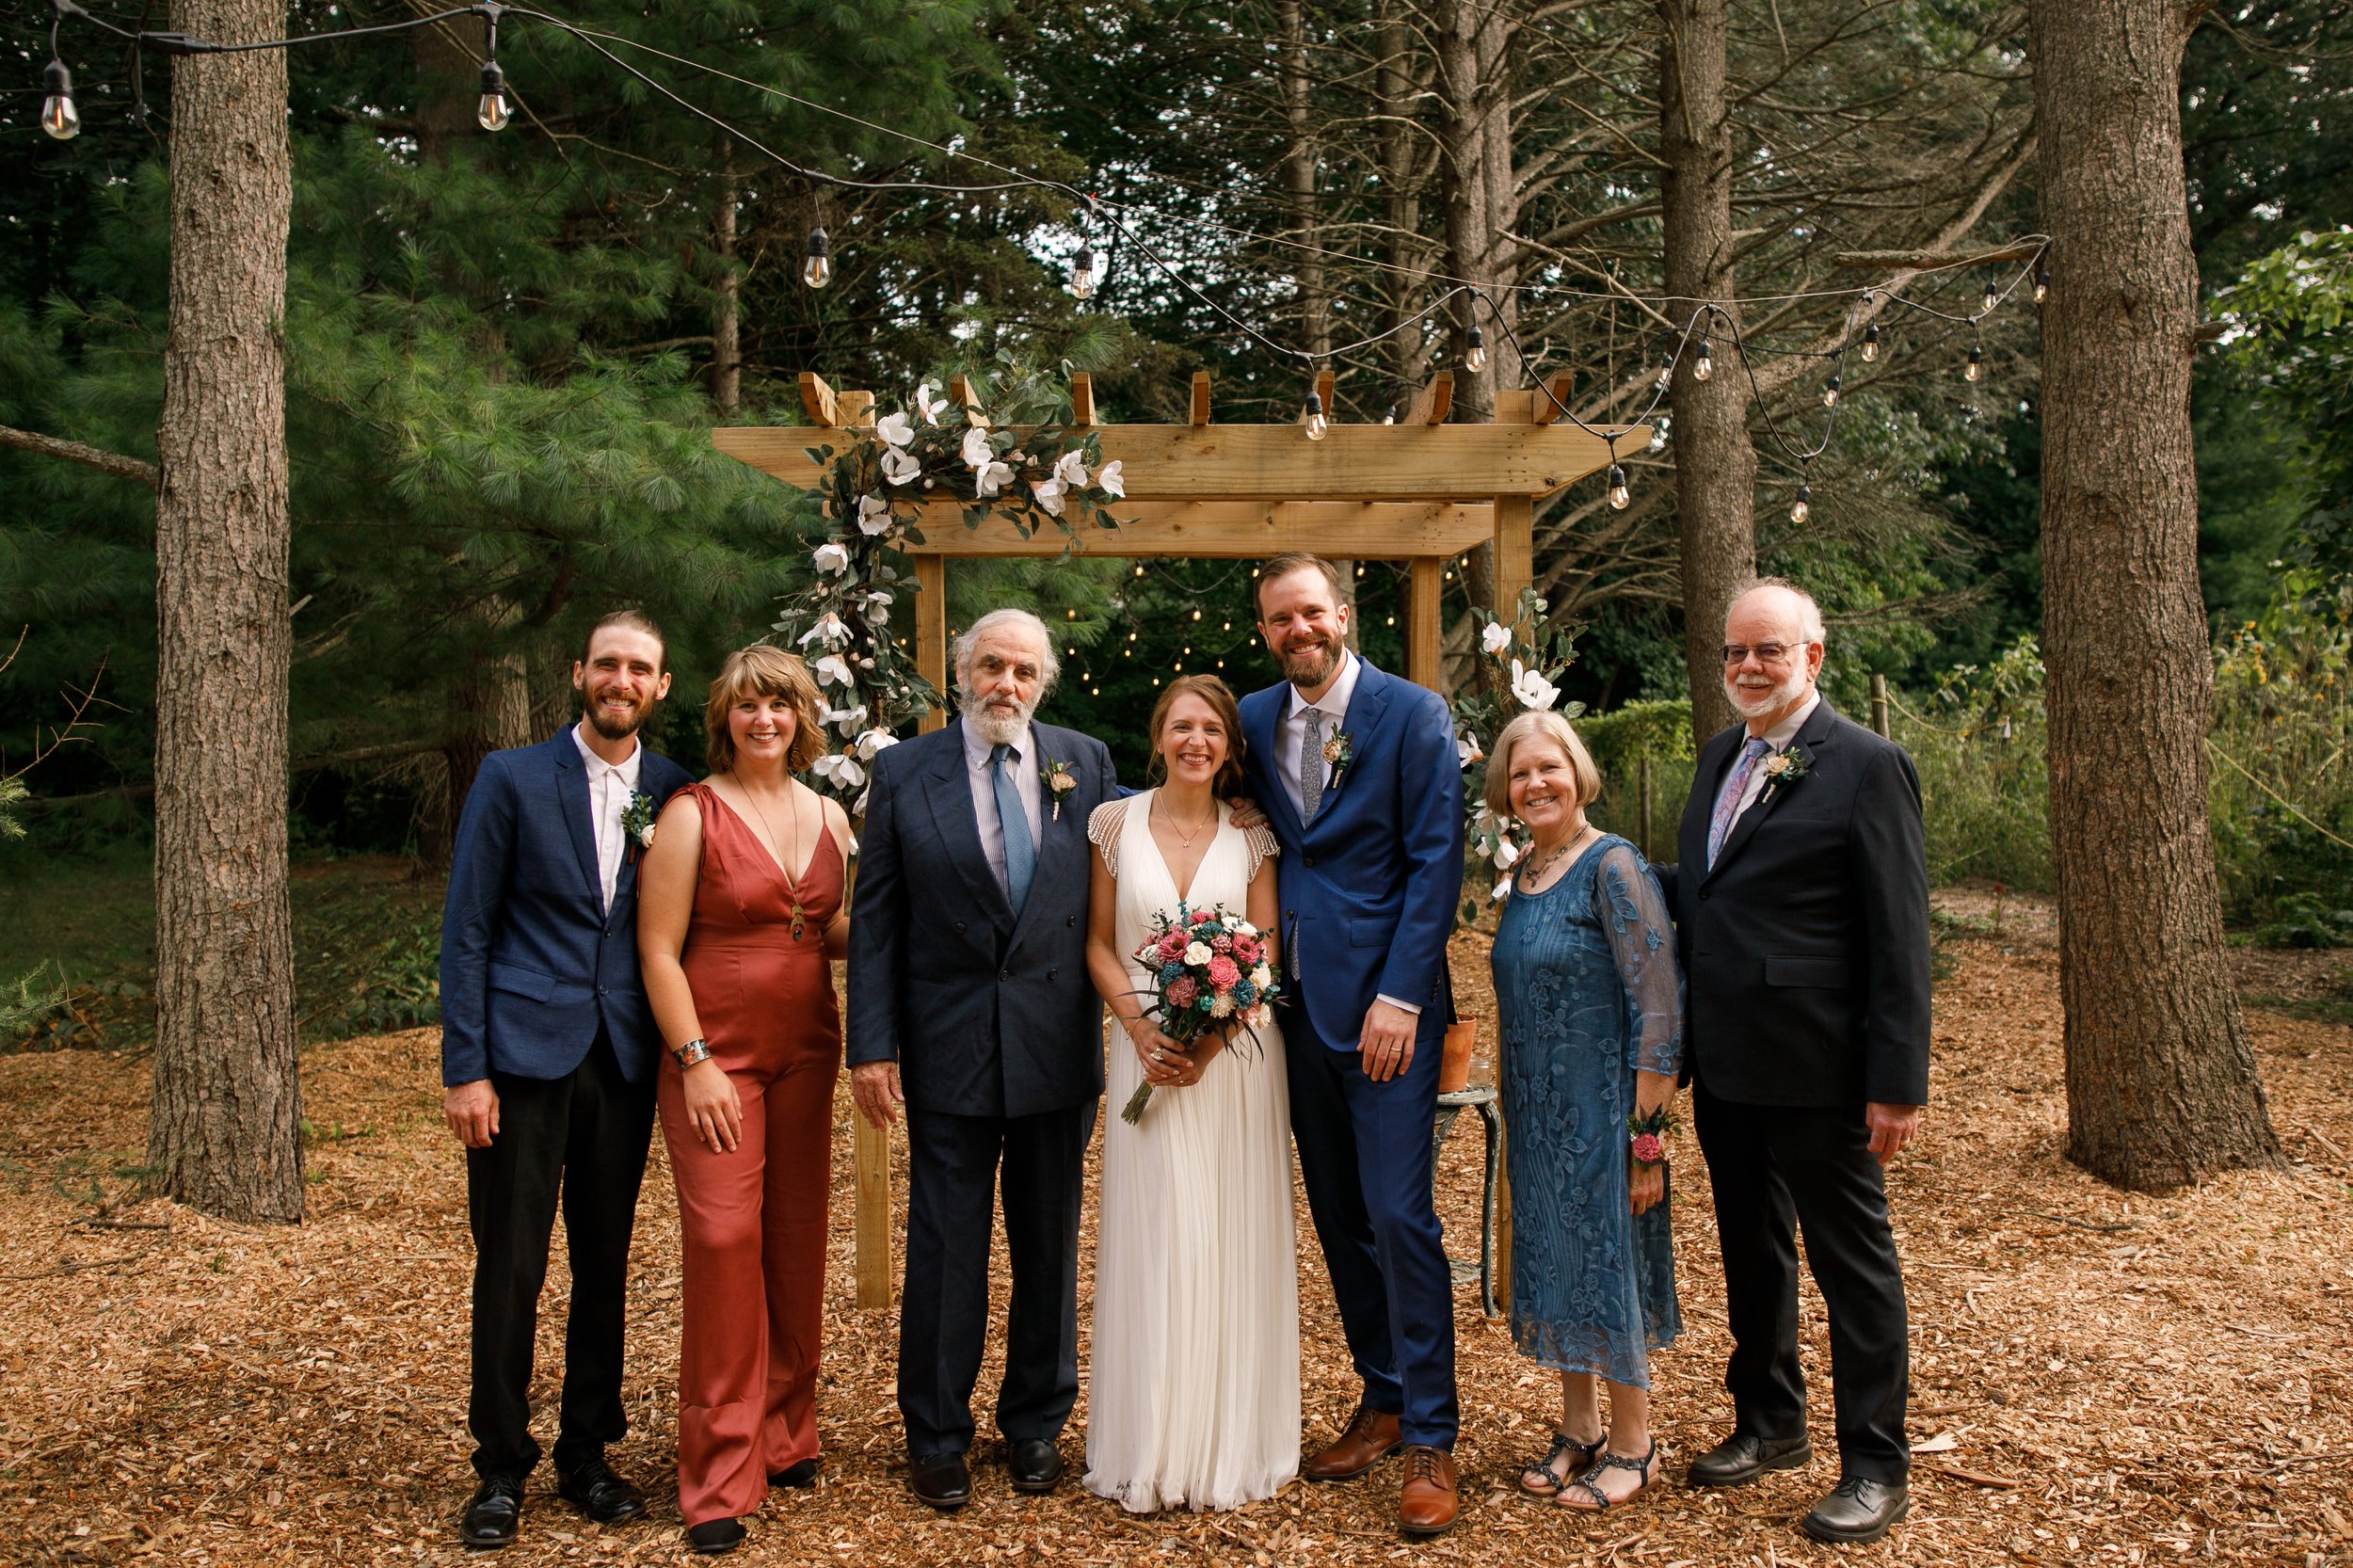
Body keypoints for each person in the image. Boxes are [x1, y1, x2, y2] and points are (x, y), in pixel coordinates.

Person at [1657, 577, 1931, 1545]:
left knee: (1851, 1267)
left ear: (1812, 656)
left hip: (1823, 1068)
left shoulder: (1865, 764)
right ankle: (1769, 1422)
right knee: (1752, 1256)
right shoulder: (1718, 758)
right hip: (1726, 1064)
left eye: (1767, 650)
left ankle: (1873, 1462)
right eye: (1734, 651)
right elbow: (1707, 888)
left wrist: (1896, 1081)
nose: (1746, 667)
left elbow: (1901, 937)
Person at [844, 608, 1119, 1511]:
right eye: (993, 666)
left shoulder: (1086, 762)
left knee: (1049, 1244)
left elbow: (1115, 899)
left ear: (1044, 683)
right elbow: (877, 921)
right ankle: (936, 1432)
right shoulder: (903, 770)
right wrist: (871, 1046)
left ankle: (1036, 1423)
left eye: (1025, 671)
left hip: (1053, 1042)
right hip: (947, 1043)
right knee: (946, 1246)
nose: (1007, 684)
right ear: (963, 672)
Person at [439, 610, 689, 1550]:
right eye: (608, 663)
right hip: (520, 1059)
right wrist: (466, 1068)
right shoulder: (509, 779)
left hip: (622, 1061)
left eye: (642, 668)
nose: (623, 678)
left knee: (603, 1265)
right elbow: (467, 929)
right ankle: (500, 1461)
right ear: (580, 673)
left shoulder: (673, 790)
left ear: (661, 687)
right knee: (510, 1266)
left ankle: (587, 1450)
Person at [1236, 553, 1467, 1536]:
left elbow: (1434, 859)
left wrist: (1403, 996)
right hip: (1291, 1008)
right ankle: (1379, 1394)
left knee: (1397, 1212)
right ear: (1266, 631)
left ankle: (1432, 1434)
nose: (1300, 629)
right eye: (1281, 618)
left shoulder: (1411, 715)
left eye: (1312, 612)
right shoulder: (1250, 719)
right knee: (1336, 1212)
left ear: (1343, 615)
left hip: (1385, 1013)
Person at [636, 645, 854, 1555]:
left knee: (795, 1238)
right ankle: (719, 1469)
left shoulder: (832, 813)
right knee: (725, 1241)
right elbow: (657, 948)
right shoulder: (690, 815)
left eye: (780, 706)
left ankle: (784, 1431)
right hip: (715, 1053)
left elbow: (832, 929)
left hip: (809, 1047)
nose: (763, 720)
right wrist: (692, 1060)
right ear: (723, 717)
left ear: (804, 718)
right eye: (746, 707)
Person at [1082, 676, 1299, 1512]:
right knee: (1156, 1233)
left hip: (1233, 1062)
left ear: (1229, 745)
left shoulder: (1252, 837)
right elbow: (1102, 945)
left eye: (1212, 727)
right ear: (1158, 735)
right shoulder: (1112, 823)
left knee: (1227, 1230)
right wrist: (1141, 1029)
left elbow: (1265, 951)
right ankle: (1151, 1439)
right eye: (1182, 725)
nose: (1196, 740)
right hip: (1144, 1051)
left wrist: (1208, 1045)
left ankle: (1230, 1439)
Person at [1483, 711, 1683, 1512]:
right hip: (1538, 1115)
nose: (1537, 784)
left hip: (1606, 1116)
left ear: (1578, 774)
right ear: (1505, 788)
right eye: (1522, 773)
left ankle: (1636, 1445)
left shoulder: (1614, 866)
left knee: (1609, 1269)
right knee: (1560, 1262)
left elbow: (1660, 1007)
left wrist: (1646, 1138)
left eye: (1550, 769)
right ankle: (1581, 1429)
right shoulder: (1526, 872)